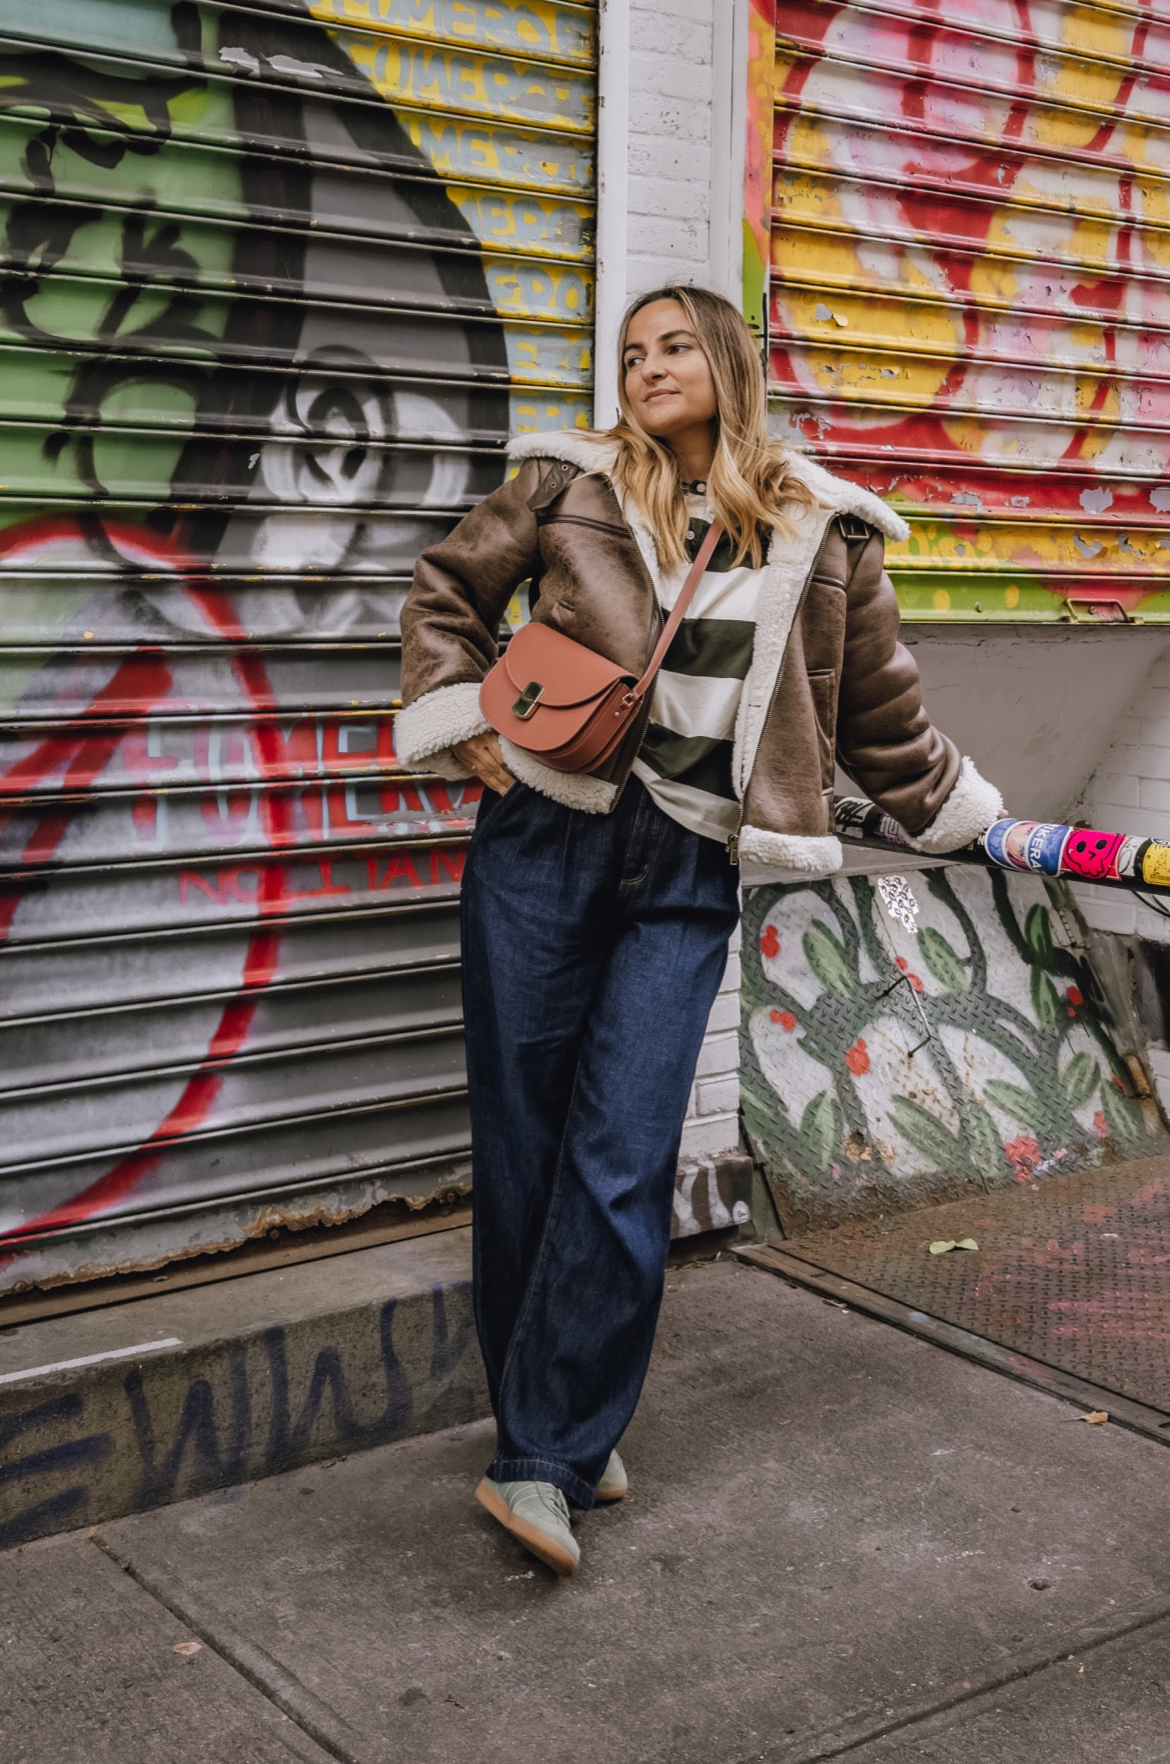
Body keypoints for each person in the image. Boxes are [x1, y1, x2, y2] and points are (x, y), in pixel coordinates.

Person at [393, 284, 1002, 1576]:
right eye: (629, 354)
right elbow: (447, 591)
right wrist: (461, 721)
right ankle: (555, 1425)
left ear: (727, 362)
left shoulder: (821, 536)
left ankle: (546, 1453)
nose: (648, 367)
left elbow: (883, 722)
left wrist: (978, 819)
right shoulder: (564, 487)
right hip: (541, 845)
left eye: (674, 347)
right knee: (525, 1142)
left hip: (682, 866)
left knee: (622, 1149)